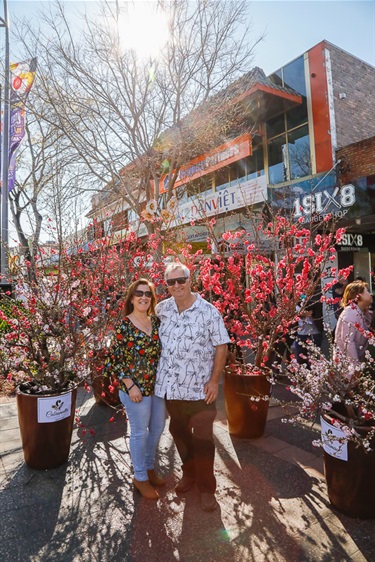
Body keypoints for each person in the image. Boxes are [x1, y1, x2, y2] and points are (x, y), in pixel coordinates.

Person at [155, 262, 230, 512]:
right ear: (166, 285)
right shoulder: (162, 310)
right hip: (172, 389)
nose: (177, 285)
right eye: (171, 282)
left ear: (190, 279)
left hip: (200, 390)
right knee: (178, 431)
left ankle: (207, 487)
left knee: (203, 439)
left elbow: (222, 346)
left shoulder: (208, 311)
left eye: (181, 280)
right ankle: (189, 474)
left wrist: (214, 381)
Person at [106, 278, 165, 500]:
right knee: (140, 433)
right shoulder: (124, 325)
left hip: (157, 386)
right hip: (135, 390)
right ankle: (140, 477)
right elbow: (114, 360)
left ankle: (149, 468)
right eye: (139, 293)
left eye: (148, 294)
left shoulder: (157, 322)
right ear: (131, 298)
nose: (143, 297)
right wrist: (130, 386)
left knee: (158, 429)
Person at [335, 280, 373, 376]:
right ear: (358, 295)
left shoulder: (359, 311)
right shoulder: (350, 313)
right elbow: (348, 341)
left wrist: (366, 312)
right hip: (348, 366)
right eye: (367, 291)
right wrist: (355, 366)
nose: (370, 294)